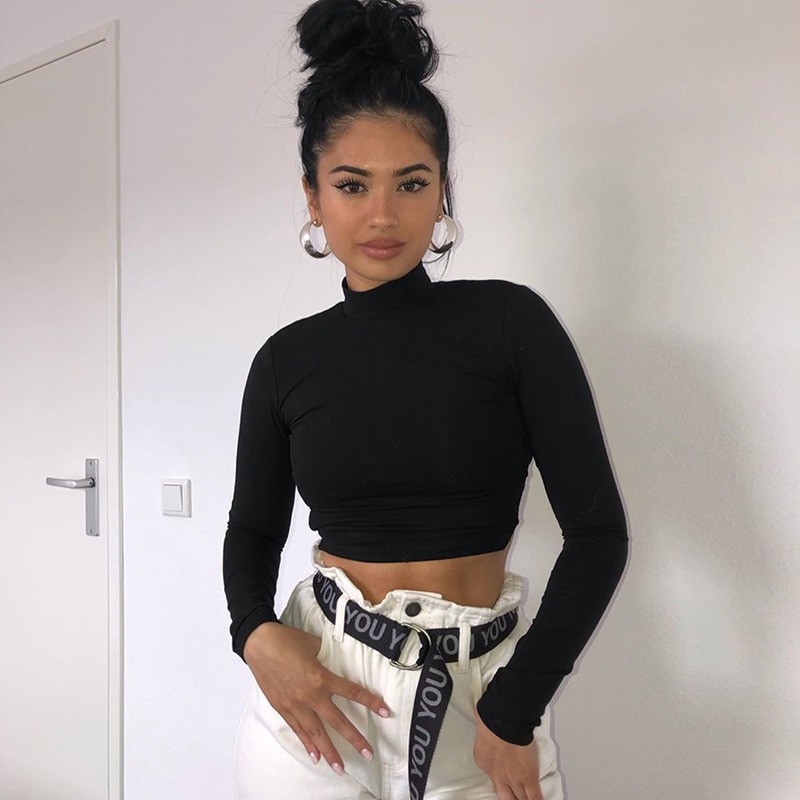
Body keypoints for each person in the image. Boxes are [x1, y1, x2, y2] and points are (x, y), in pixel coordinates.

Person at [223, 1, 629, 799]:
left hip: (483, 699)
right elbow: (253, 529)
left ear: (442, 192)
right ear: (313, 198)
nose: (383, 214)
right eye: (351, 185)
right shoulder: (284, 360)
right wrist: (254, 635)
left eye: (411, 183)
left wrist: (515, 709)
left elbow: (598, 534)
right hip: (319, 692)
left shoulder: (511, 323)